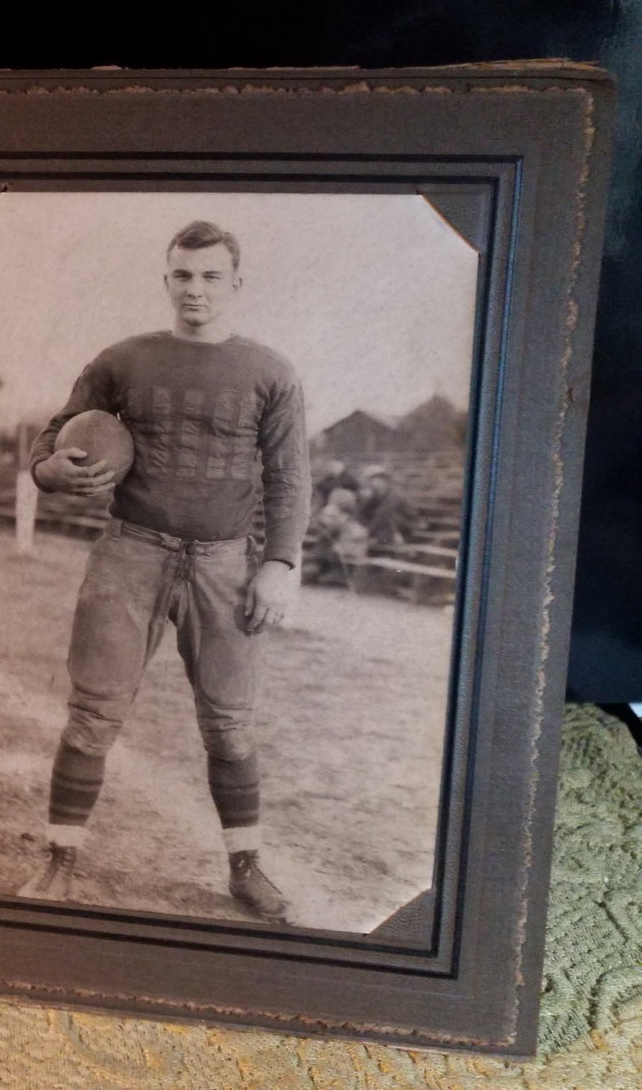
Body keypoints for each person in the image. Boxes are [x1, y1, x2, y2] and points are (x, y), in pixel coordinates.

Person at [21, 220, 310, 923]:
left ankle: (247, 867)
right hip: (132, 552)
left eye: (211, 276)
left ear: (235, 284)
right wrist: (48, 467)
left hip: (224, 563)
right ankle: (60, 858)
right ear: (167, 280)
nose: (196, 290)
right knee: (93, 713)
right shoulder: (123, 361)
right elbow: (54, 435)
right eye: (183, 275)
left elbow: (289, 478)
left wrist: (281, 563)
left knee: (231, 724)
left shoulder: (272, 373)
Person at [356, 467, 413, 547]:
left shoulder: (393, 495)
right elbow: (362, 511)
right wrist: (364, 499)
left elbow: (382, 515)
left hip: (405, 522)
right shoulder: (375, 493)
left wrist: (366, 532)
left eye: (376, 480)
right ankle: (376, 538)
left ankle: (380, 539)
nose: (372, 483)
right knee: (366, 518)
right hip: (387, 522)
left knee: (388, 520)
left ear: (384, 481)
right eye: (371, 480)